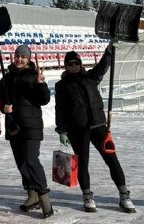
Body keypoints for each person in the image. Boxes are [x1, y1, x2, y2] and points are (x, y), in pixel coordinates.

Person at [54, 46, 136, 213]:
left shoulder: (91, 77)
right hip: (77, 129)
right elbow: (60, 108)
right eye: (70, 64)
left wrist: (109, 51)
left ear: (81, 64)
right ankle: (87, 196)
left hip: (99, 127)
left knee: (112, 160)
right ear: (65, 66)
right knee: (83, 163)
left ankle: (124, 195)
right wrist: (61, 130)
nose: (73, 66)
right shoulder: (62, 85)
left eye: (76, 63)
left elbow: (103, 66)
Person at [0, 44, 53, 218]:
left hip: (31, 125)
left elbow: (44, 100)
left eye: (23, 56)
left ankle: (44, 198)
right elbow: (2, 103)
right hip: (13, 126)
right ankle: (32, 195)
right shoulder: (5, 79)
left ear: (28, 59)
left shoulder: (33, 76)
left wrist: (41, 84)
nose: (20, 59)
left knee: (31, 159)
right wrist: (4, 108)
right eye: (17, 56)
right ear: (13, 57)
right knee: (21, 162)